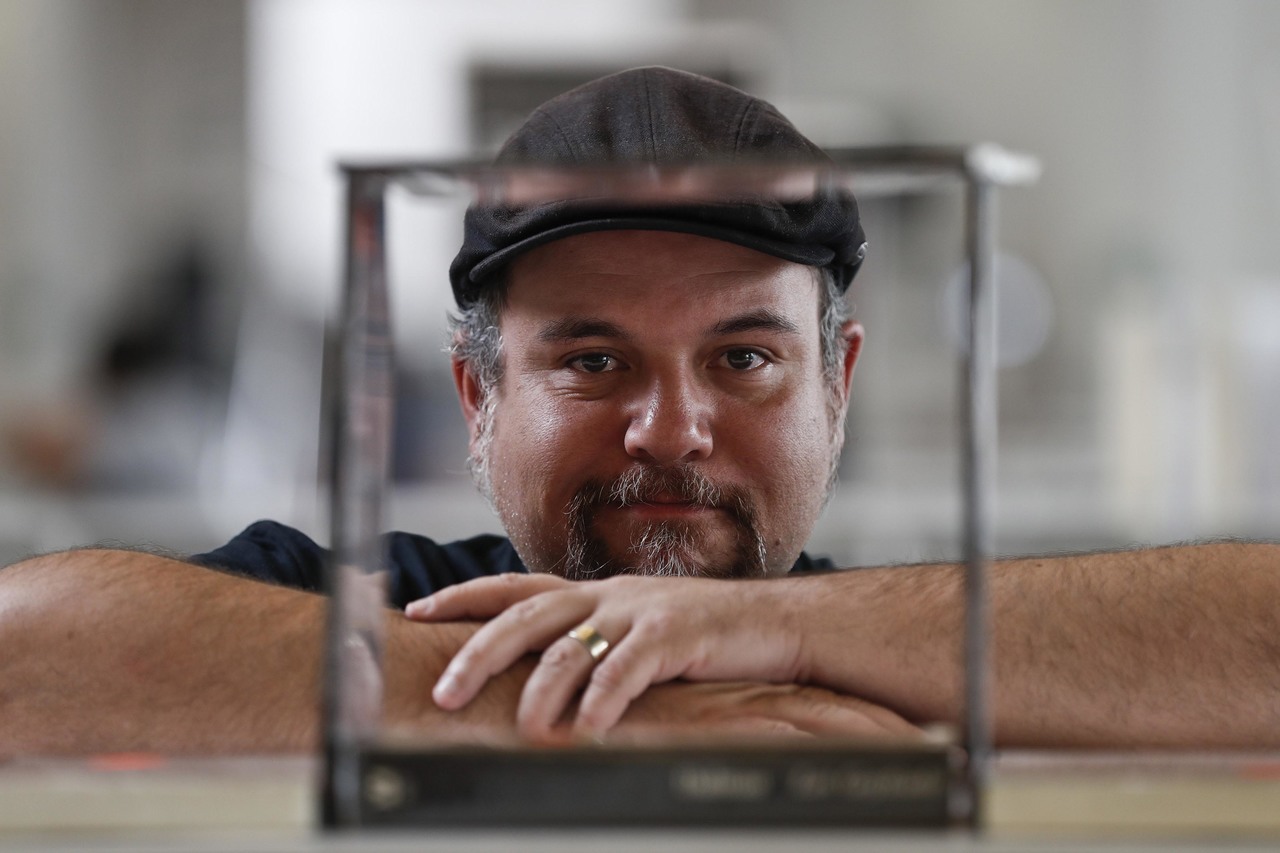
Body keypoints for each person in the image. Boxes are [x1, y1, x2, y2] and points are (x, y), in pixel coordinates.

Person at [0, 67, 1276, 756]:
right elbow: (25, 652)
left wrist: (769, 634)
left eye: (743, 358)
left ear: (836, 385)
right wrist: (585, 697)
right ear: (478, 396)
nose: (669, 431)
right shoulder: (362, 602)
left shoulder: (892, 655)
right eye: (594, 362)